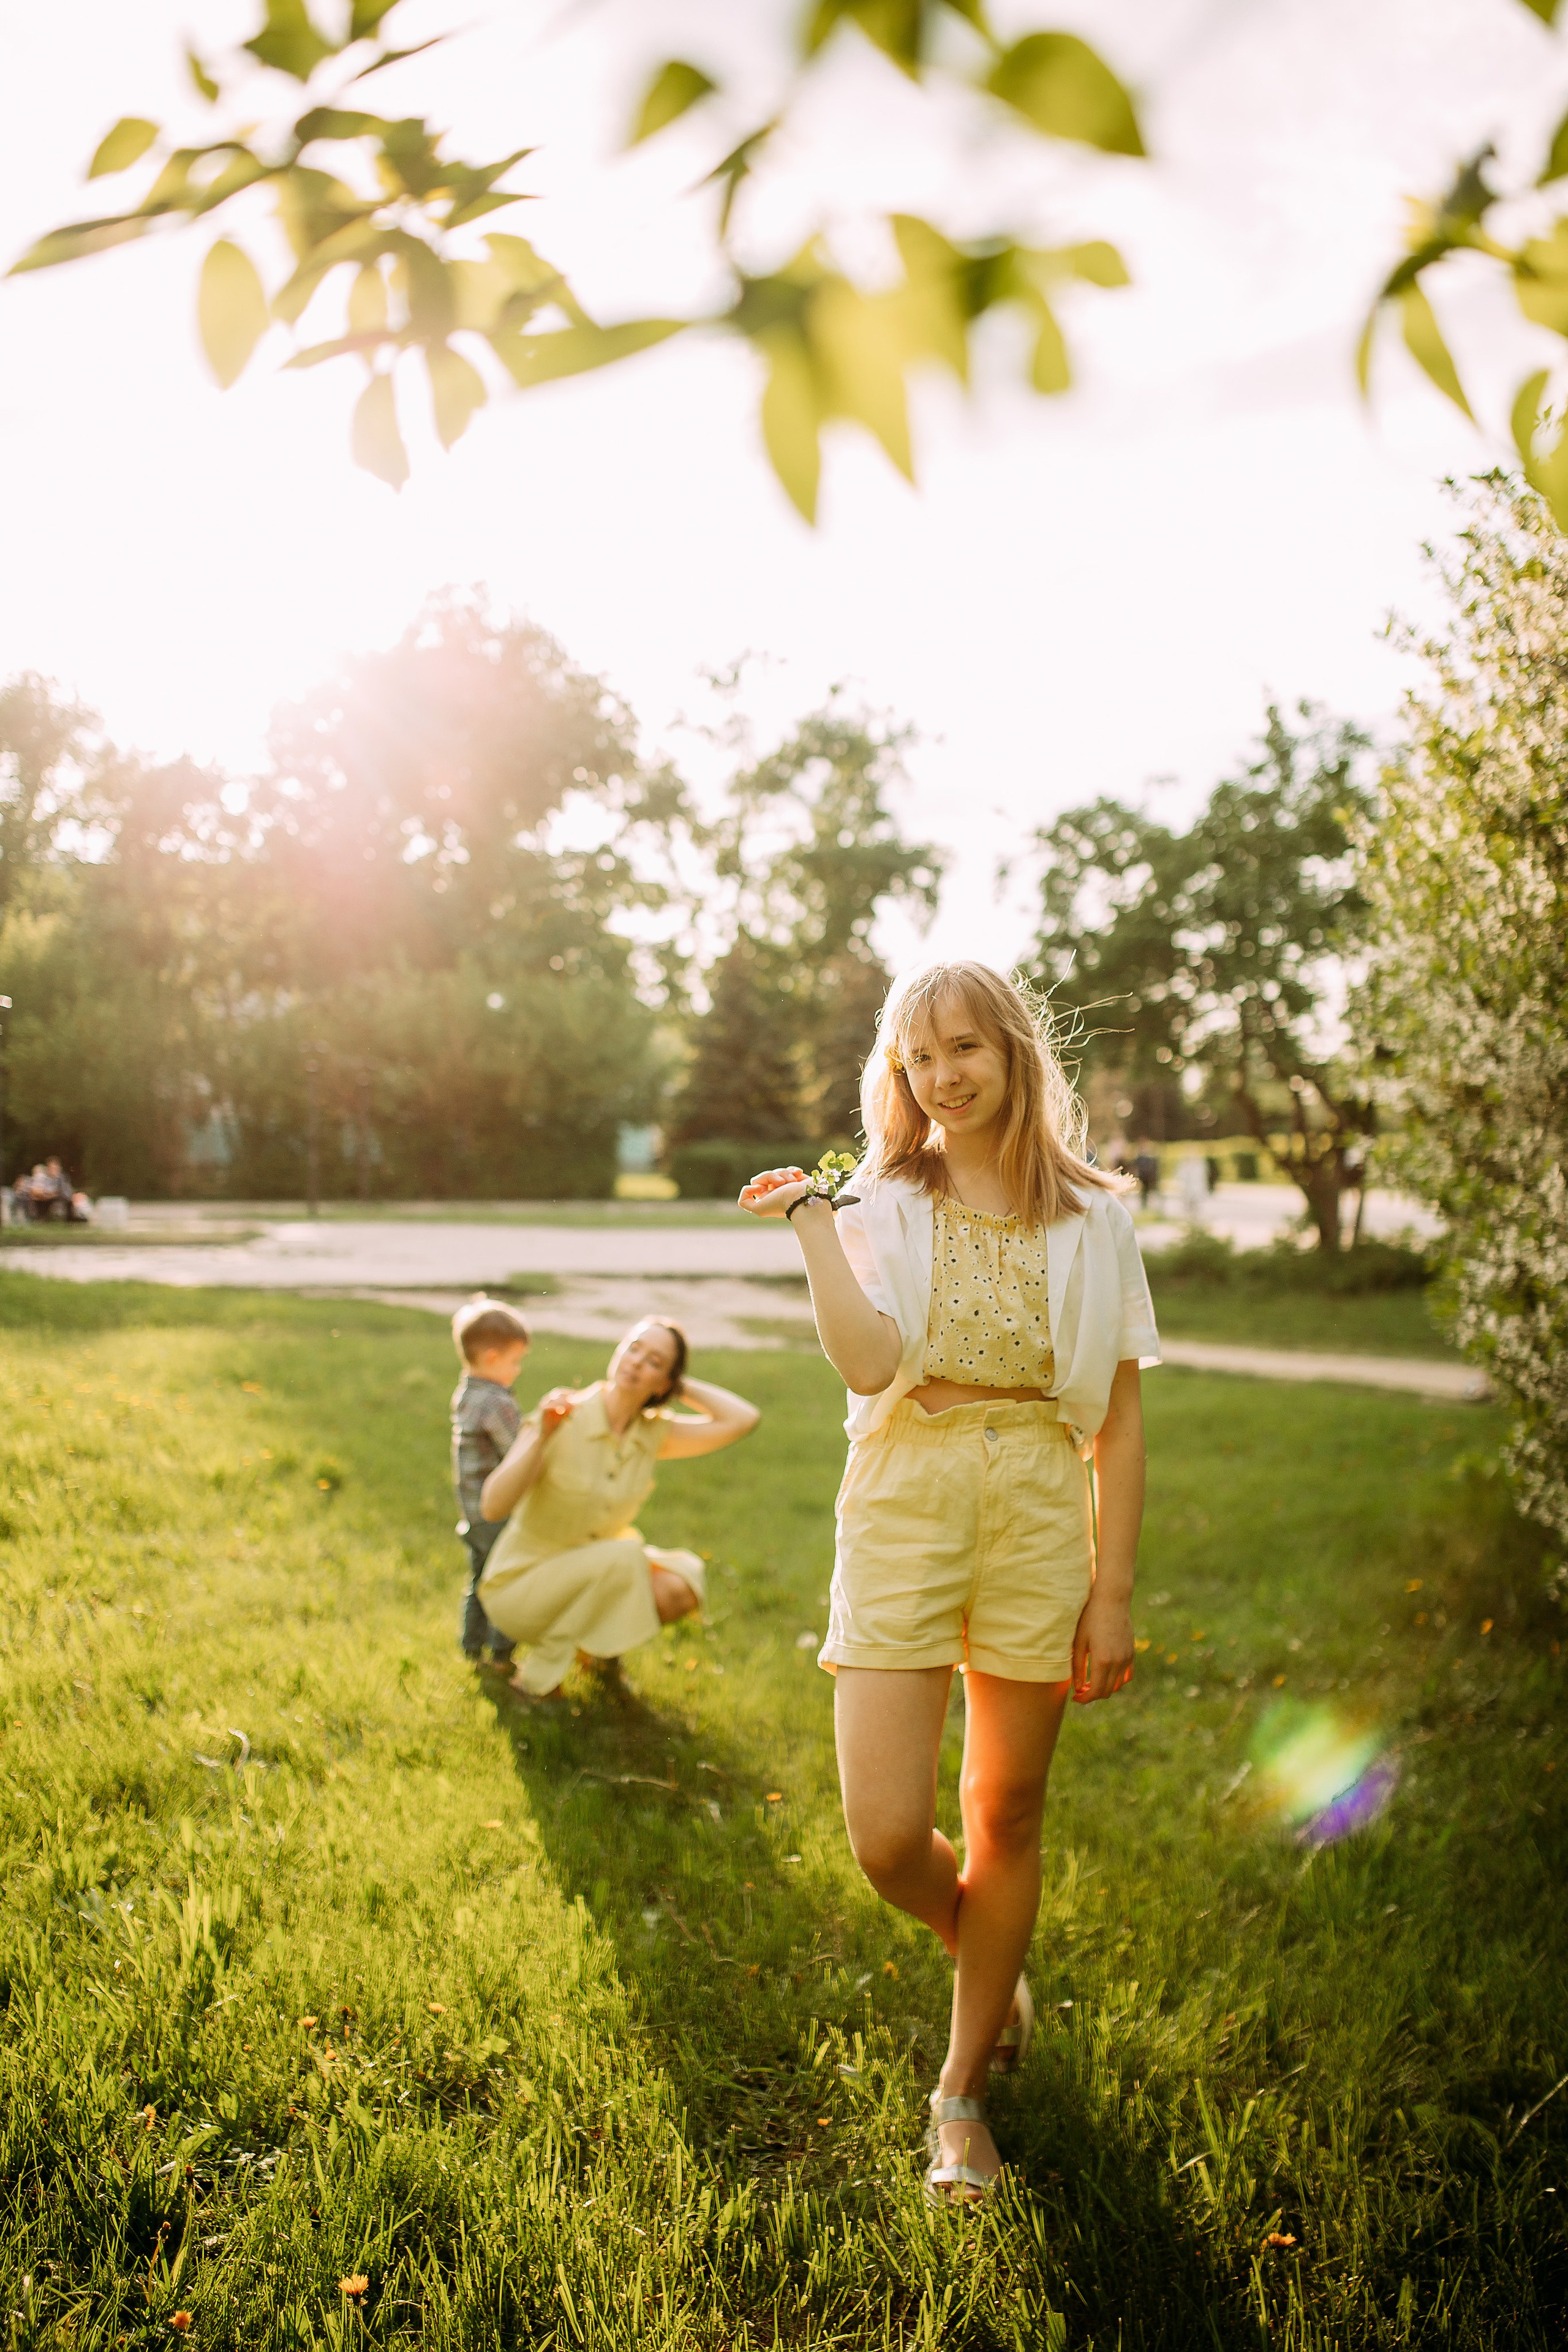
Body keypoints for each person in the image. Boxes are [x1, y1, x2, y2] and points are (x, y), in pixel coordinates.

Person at [740, 960, 1159, 2205]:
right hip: (905, 1501)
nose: (941, 1077)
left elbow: (1120, 1422)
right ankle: (985, 1947)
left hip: (1039, 1508)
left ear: (1014, 1050)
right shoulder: (880, 1200)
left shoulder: (1098, 1216)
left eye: (963, 1048)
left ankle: (961, 2095)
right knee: (884, 1838)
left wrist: (1112, 1592)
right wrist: (811, 1226)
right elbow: (869, 1365)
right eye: (918, 1059)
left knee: (1006, 1815)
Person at [477, 1318, 760, 1700]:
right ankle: (538, 1680)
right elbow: (492, 1507)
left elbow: (743, 1420)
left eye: (655, 1362)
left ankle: (594, 1652)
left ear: (664, 1384)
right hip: (521, 1584)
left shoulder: (654, 1433)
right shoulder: (562, 1415)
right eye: (634, 1348)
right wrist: (541, 1435)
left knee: (678, 1586)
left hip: (596, 1573)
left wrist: (679, 1385)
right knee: (626, 1554)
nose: (637, 1362)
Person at [449, 1296, 533, 1670]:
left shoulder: (467, 1392)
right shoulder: (497, 1403)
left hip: (471, 1512)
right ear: (493, 1358)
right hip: (496, 1513)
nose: (518, 1370)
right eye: (515, 1361)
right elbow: (519, 1452)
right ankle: (501, 1655)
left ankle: (471, 1647)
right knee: (508, 1581)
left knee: (480, 1579)